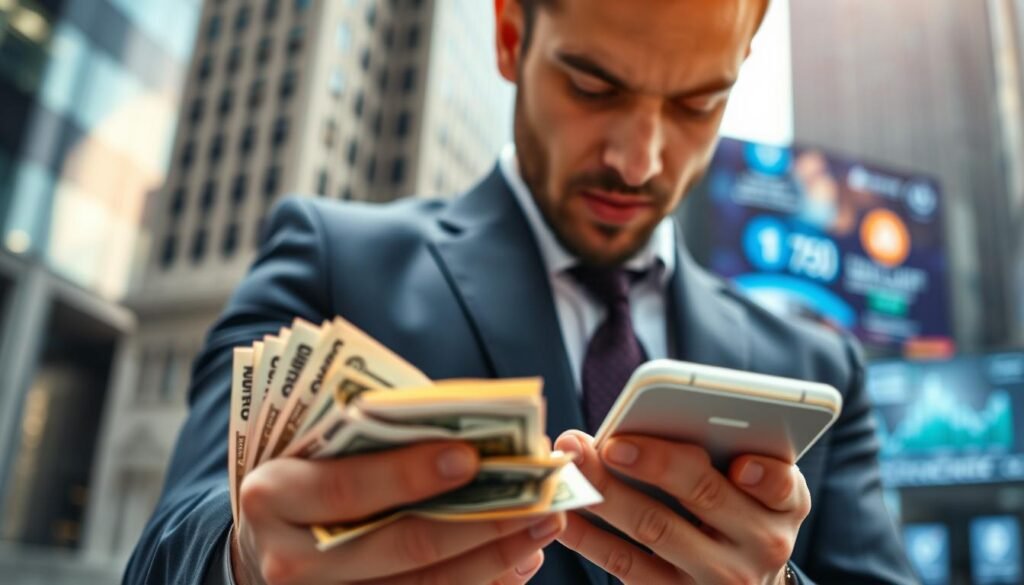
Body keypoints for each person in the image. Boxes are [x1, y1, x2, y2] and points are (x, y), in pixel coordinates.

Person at [126, 0, 917, 583]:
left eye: (696, 104)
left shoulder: (819, 364)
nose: (639, 160)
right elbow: (166, 548)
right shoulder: (332, 258)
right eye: (593, 85)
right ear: (510, 35)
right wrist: (245, 557)